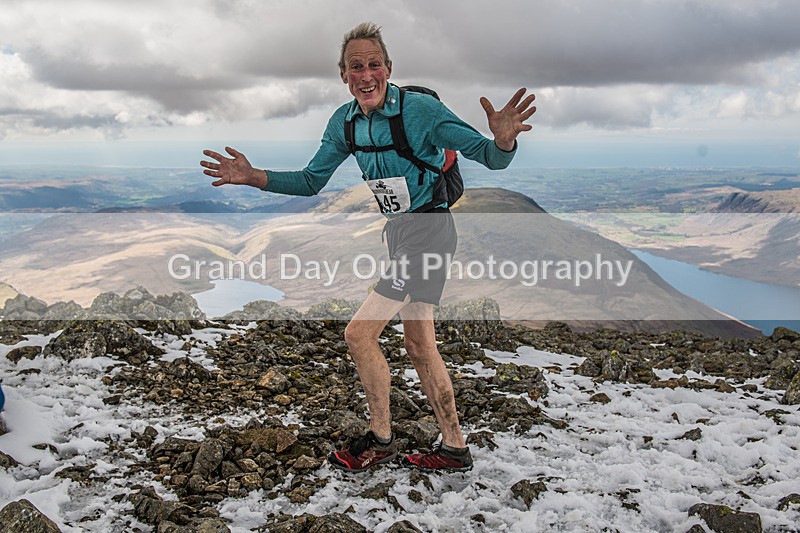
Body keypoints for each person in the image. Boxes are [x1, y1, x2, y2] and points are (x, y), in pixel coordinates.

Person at [201, 22, 535, 473]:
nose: (366, 74)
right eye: (356, 66)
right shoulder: (344, 123)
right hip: (402, 233)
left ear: (388, 68)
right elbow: (309, 180)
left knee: (358, 334)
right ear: (344, 75)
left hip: (430, 231)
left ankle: (380, 439)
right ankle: (454, 447)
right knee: (419, 345)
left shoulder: (420, 112)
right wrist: (254, 176)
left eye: (374, 64)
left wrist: (504, 138)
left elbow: (490, 157)